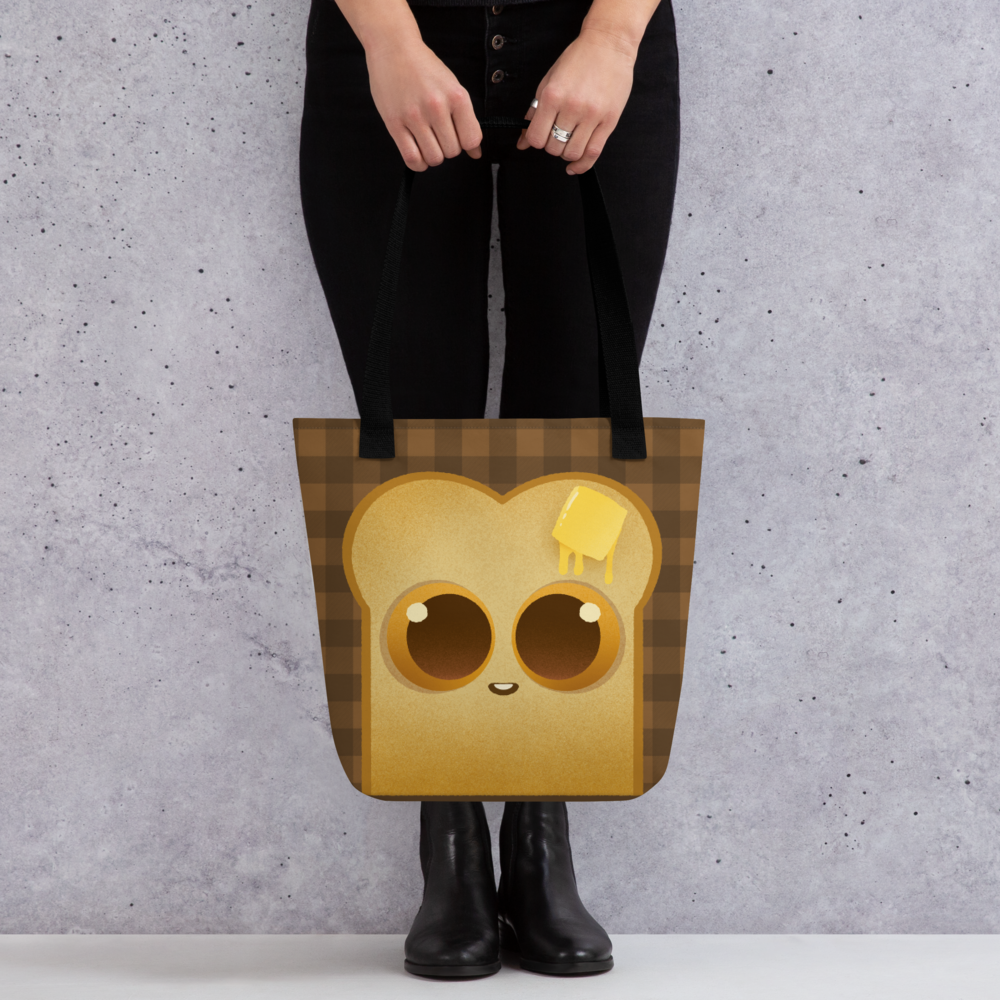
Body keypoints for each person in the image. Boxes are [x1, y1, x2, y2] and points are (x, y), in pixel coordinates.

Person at [299, 0, 680, 978]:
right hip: (394, 37)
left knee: (577, 461)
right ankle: (451, 832)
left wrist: (613, 37)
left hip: (592, 36)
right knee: (418, 467)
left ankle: (539, 826)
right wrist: (387, 40)